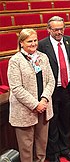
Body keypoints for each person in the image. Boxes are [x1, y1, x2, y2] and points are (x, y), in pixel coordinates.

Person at [7, 28, 55, 162]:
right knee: (26, 150)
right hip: (25, 111)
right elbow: (16, 88)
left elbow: (51, 80)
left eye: (35, 40)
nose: (33, 44)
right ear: (21, 43)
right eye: (29, 41)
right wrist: (35, 104)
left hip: (44, 109)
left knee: (42, 146)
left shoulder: (43, 57)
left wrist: (44, 99)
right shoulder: (15, 61)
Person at [38, 16, 70, 162]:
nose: (59, 32)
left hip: (67, 88)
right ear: (49, 30)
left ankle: (65, 149)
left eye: (61, 29)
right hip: (51, 91)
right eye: (56, 30)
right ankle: (54, 154)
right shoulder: (42, 45)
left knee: (65, 121)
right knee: (52, 123)